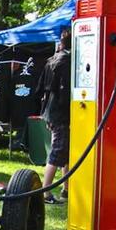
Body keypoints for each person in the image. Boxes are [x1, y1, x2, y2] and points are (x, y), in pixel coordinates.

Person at [37, 29, 72, 205]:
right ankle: (46, 191)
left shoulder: (52, 59)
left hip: (49, 111)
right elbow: (65, 92)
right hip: (60, 113)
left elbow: (40, 87)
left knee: (65, 150)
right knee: (58, 151)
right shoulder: (67, 61)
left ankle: (66, 189)